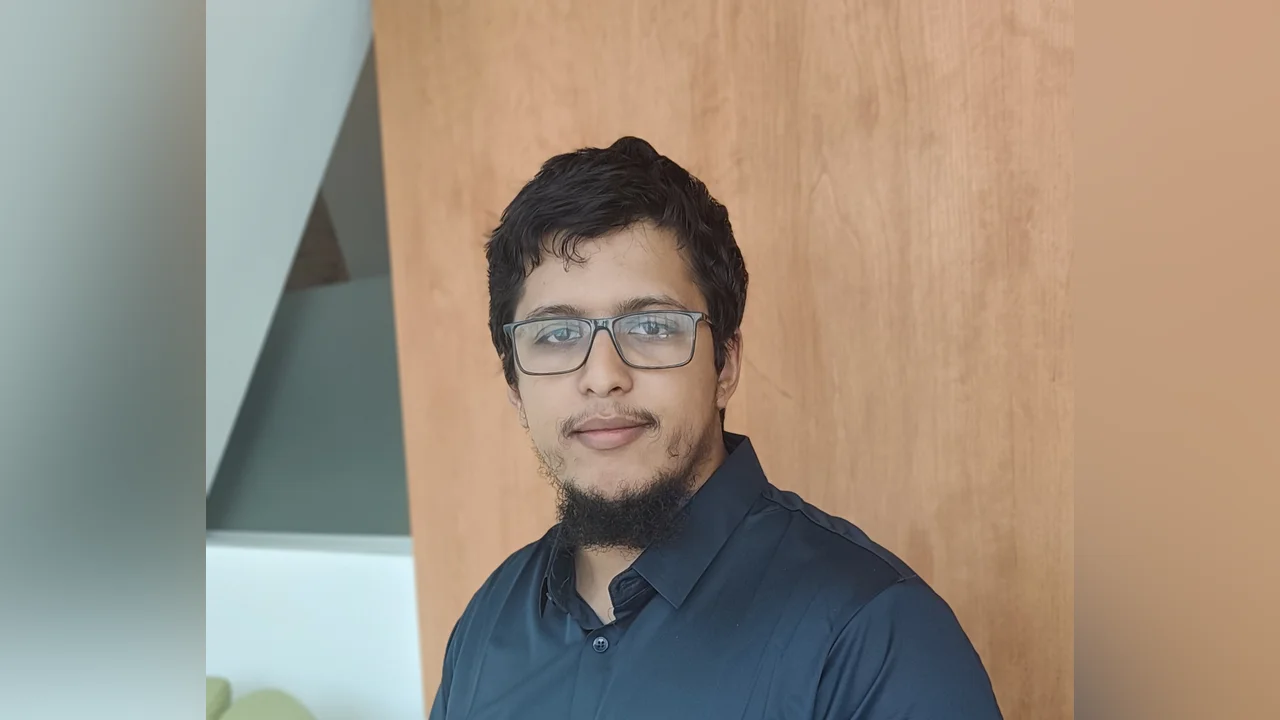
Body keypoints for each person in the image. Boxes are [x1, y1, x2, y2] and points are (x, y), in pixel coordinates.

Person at [428, 136, 1003, 719]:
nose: (602, 377)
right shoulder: (486, 625)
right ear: (515, 387)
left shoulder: (873, 634)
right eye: (556, 335)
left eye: (651, 327)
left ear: (724, 365)